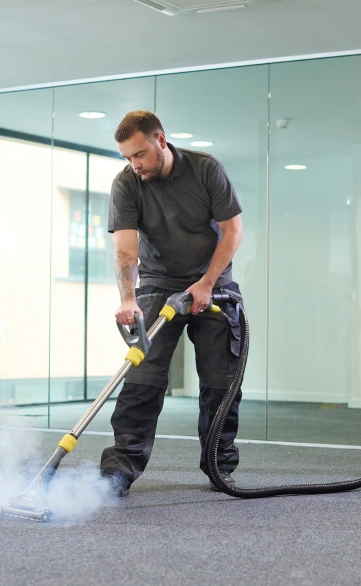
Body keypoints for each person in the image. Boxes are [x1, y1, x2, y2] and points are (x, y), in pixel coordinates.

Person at [100, 110, 244, 496]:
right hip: (158, 284)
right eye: (127, 157)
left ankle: (218, 466)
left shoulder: (205, 169)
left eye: (140, 154)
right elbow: (125, 249)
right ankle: (119, 471)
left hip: (213, 285)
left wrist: (206, 283)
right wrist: (128, 299)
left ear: (160, 140)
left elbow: (232, 231)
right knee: (141, 379)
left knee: (221, 382)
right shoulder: (127, 182)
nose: (135, 164)